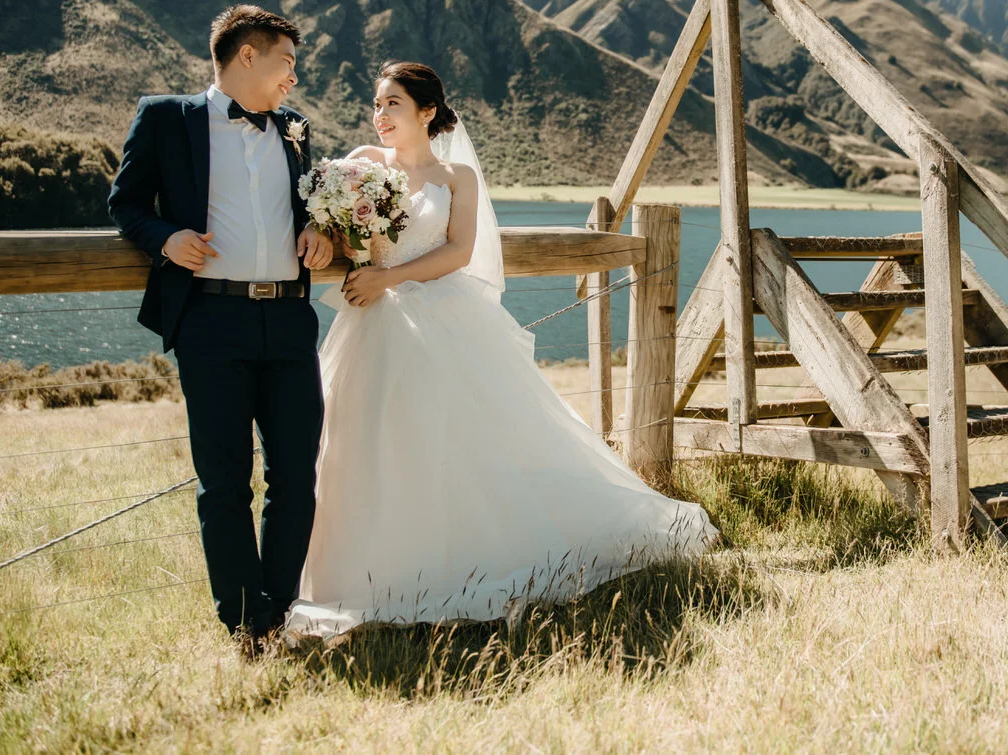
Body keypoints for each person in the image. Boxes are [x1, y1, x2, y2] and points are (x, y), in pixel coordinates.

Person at [285, 61, 715, 638]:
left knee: (458, 443)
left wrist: (388, 279)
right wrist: (322, 234)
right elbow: (324, 221)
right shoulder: (359, 164)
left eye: (392, 104)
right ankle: (353, 578)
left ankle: (454, 565)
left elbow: (460, 252)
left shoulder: (457, 177)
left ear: (427, 111)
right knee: (358, 441)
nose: (380, 116)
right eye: (377, 104)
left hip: (439, 318)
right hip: (371, 324)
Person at [107, 5, 334, 651]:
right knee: (224, 481)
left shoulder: (294, 128)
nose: (293, 75)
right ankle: (245, 622)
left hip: (290, 320)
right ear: (246, 57)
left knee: (296, 473)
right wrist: (165, 237)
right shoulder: (165, 118)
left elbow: (306, 207)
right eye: (286, 60)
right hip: (210, 319)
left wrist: (318, 228)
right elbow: (125, 202)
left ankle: (282, 609)